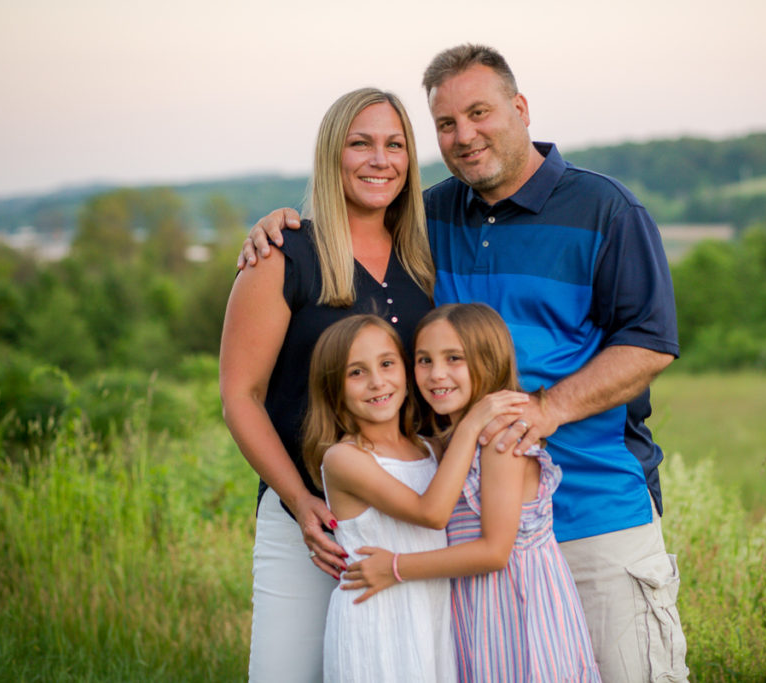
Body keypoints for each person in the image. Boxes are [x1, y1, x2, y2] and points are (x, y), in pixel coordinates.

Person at [242, 44, 689, 682]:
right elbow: (352, 215)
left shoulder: (606, 210)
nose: (465, 135)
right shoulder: (432, 216)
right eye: (446, 124)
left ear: (521, 108)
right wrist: (278, 224)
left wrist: (542, 410)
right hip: (464, 528)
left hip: (592, 513)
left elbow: (650, 341)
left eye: (480, 112)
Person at [219, 87, 435, 682]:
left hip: (404, 520)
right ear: (331, 154)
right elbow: (240, 395)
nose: (379, 159)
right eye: (359, 143)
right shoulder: (284, 254)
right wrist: (299, 501)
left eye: (395, 145)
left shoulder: (424, 259)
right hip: (309, 525)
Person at [342, 303, 601, 682]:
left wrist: (394, 568)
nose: (436, 374)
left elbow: (495, 552)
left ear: (489, 360)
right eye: (424, 360)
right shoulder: (452, 444)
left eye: (454, 359)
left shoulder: (501, 440)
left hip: (517, 614)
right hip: (475, 613)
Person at [301, 313, 527, 682]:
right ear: (333, 387)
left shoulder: (431, 450)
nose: (377, 382)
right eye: (355, 372)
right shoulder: (344, 458)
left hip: (431, 614)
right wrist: (471, 423)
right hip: (376, 617)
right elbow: (432, 512)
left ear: (405, 371)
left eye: (387, 364)